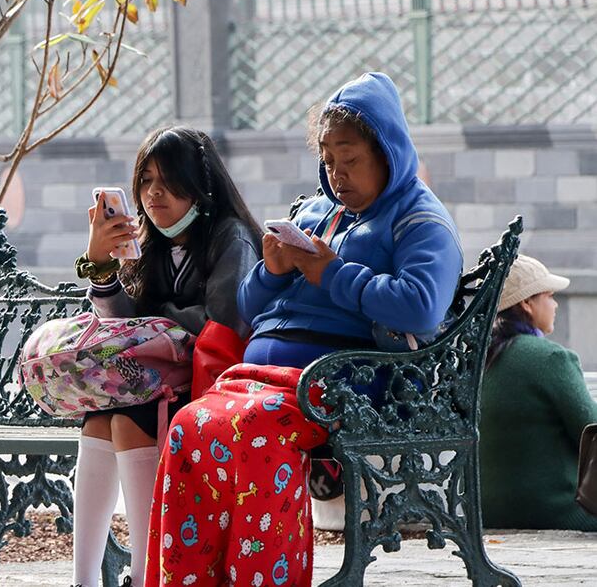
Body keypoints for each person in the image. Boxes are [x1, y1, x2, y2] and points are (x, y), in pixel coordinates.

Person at [145, 72, 464, 587]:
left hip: (350, 383)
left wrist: (331, 273)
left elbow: (422, 307)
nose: (337, 174)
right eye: (329, 159)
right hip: (263, 379)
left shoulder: (419, 220)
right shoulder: (315, 213)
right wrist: (271, 271)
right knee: (188, 426)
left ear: (388, 152)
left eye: (350, 158)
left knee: (255, 430)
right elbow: (246, 309)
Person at [72, 126, 263, 587]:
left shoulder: (230, 237)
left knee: (126, 419)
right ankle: (83, 579)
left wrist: (152, 322)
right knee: (98, 419)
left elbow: (223, 321)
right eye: (145, 180)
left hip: (214, 387)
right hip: (157, 381)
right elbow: (122, 325)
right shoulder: (151, 244)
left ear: (200, 186)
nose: (153, 193)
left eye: (168, 180)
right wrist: (101, 266)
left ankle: (147, 576)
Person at [479, 255, 597, 531]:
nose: (555, 305)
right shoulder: (551, 358)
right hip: (555, 511)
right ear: (526, 303)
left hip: (489, 512)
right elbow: (591, 431)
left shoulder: (480, 359)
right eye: (549, 296)